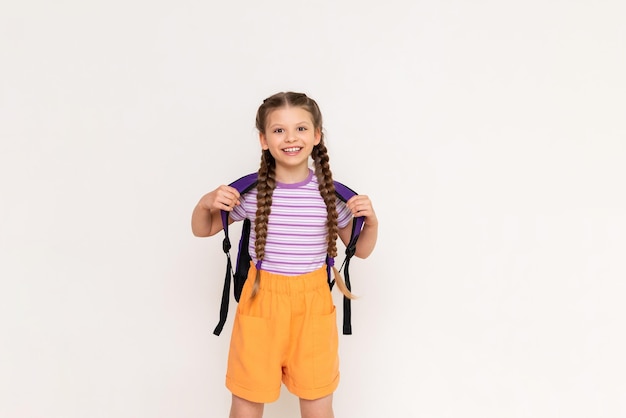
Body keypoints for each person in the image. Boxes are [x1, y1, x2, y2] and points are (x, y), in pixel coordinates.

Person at [191, 92, 378, 418]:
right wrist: (206, 201)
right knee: (246, 403)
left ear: (317, 135)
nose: (290, 138)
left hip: (313, 304)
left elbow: (360, 250)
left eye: (301, 129)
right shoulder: (251, 193)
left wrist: (371, 221)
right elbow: (202, 228)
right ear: (264, 140)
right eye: (279, 130)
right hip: (260, 301)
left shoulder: (330, 196)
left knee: (319, 404)